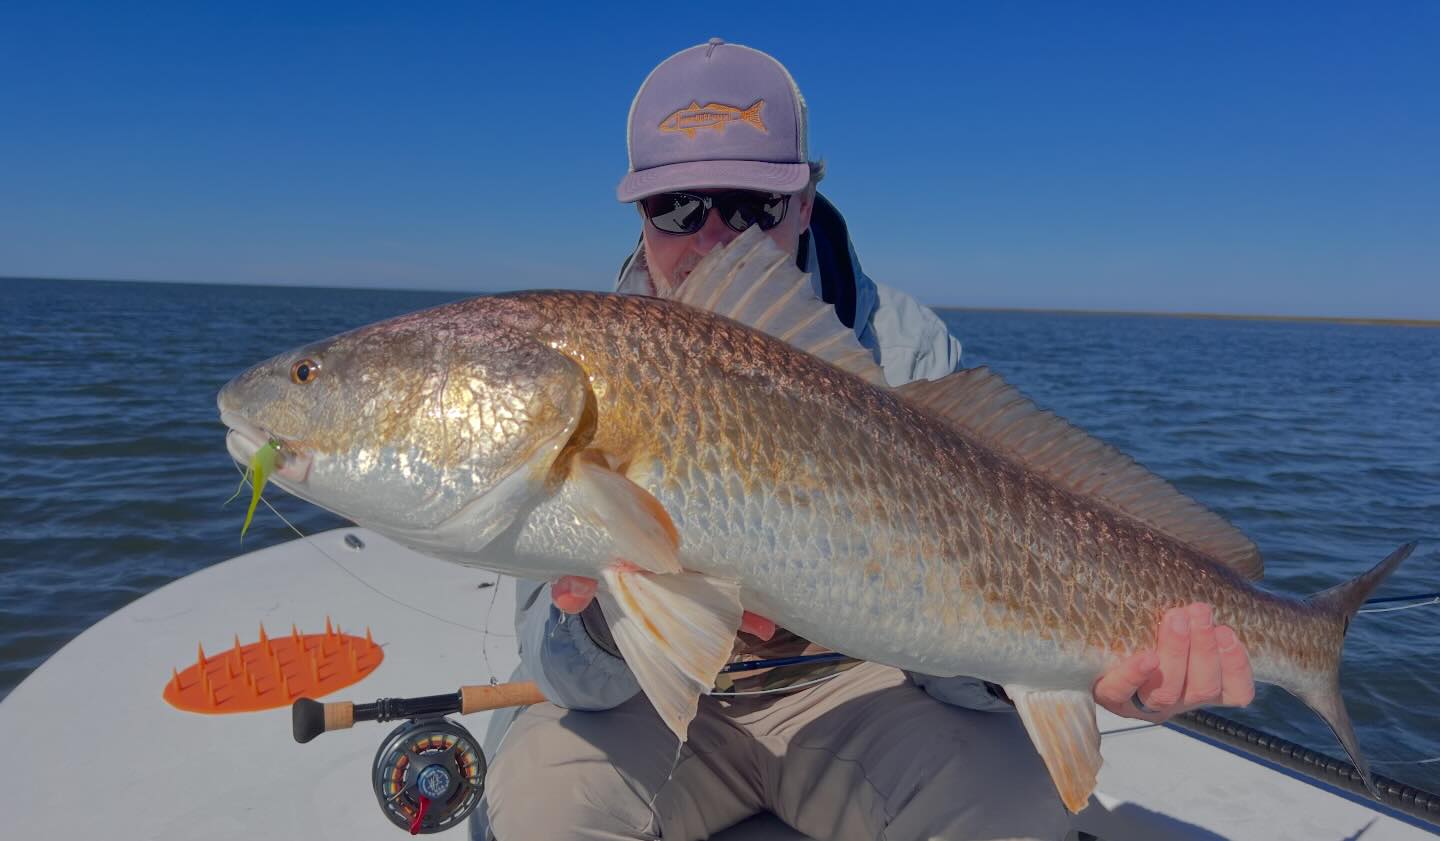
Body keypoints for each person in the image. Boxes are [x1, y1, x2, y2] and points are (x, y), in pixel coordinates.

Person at [479, 39, 1256, 841]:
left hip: (859, 698)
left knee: (1017, 810)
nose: (713, 237)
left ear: (805, 202)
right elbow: (558, 670)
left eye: (751, 205)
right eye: (676, 207)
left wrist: (1076, 659)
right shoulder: (575, 364)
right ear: (638, 217)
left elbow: (976, 634)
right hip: (660, 708)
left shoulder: (908, 350)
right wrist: (607, 613)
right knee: (542, 800)